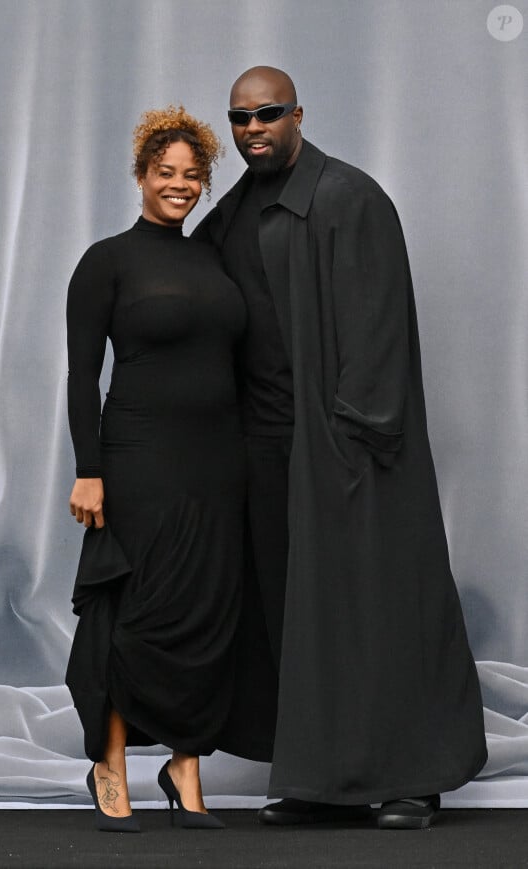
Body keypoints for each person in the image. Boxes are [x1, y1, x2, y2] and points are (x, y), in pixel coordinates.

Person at [193, 66, 487, 830]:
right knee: (295, 616)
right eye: (240, 118)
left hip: (348, 445)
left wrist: (358, 437)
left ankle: (411, 776)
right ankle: (318, 776)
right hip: (267, 448)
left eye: (267, 115)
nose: (253, 129)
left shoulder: (350, 198)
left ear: (298, 115)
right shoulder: (231, 214)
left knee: (379, 608)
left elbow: (378, 332)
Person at [65, 106, 247, 831]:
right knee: (132, 611)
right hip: (138, 459)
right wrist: (88, 468)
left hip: (218, 463)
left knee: (206, 610)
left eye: (191, 175)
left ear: (204, 184)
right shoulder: (107, 260)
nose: (178, 184)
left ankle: (185, 763)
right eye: (165, 172)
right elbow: (83, 377)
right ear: (141, 176)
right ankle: (110, 761)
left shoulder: (212, 257)